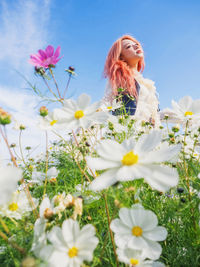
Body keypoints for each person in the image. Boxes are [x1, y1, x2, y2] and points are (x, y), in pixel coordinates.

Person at [103, 34, 160, 127]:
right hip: (129, 131)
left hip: (149, 134)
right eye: (128, 46)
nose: (135, 46)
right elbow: (105, 103)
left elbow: (156, 115)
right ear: (121, 57)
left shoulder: (147, 84)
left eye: (136, 44)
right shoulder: (119, 78)